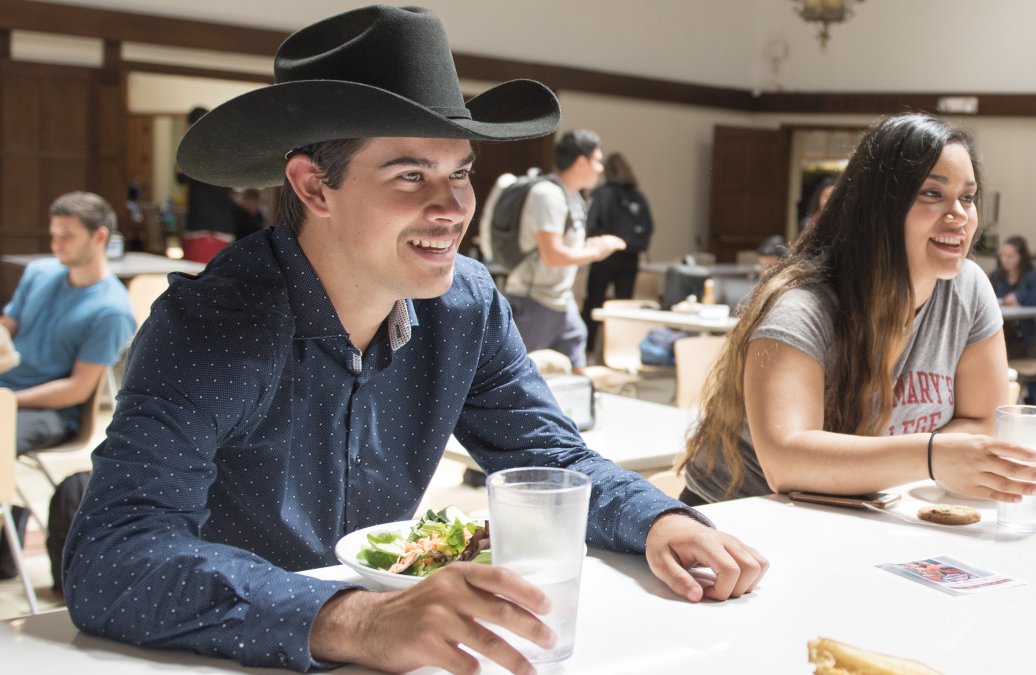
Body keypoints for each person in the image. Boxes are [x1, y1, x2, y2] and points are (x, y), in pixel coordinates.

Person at [62, 7, 766, 675]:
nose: (454, 207)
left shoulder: (465, 303)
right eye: (411, 175)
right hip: (216, 651)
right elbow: (111, 557)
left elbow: (546, 454)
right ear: (313, 186)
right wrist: (361, 620)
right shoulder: (213, 324)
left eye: (460, 171)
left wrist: (658, 520)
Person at [678, 112, 1036, 506]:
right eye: (931, 193)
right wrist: (932, 456)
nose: (959, 215)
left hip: (861, 512)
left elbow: (983, 421)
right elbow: (786, 464)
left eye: (968, 197)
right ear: (879, 207)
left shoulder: (969, 289)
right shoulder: (801, 307)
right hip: (740, 521)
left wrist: (930, 458)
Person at [0, 191, 135, 578]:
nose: (55, 243)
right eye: (54, 234)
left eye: (67, 235)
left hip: (54, 410)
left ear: (99, 237)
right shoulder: (40, 273)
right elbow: (10, 325)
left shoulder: (110, 310)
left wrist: (8, 401)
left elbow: (77, 389)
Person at [503, 129, 626, 373]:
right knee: (518, 376)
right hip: (534, 300)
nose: (601, 168)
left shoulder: (574, 197)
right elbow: (553, 255)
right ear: (582, 161)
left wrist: (590, 247)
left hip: (561, 300)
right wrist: (598, 251)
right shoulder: (547, 195)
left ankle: (579, 409)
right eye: (598, 160)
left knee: (576, 364)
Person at [581, 152, 654, 352]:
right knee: (624, 307)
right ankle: (622, 350)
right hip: (630, 258)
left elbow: (588, 224)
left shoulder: (600, 194)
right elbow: (649, 226)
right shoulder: (638, 196)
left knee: (594, 302)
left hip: (604, 257)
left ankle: (587, 350)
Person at [176, 106, 237, 263]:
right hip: (222, 225)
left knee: (199, 278)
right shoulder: (226, 149)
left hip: (203, 226)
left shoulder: (192, 151)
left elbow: (180, 178)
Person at [989, 235, 1036, 358]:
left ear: (1021, 257)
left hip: (1022, 332)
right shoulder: (996, 276)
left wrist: (1019, 297)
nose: (1005, 260)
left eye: (1010, 256)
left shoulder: (1031, 276)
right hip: (1000, 329)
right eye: (1003, 255)